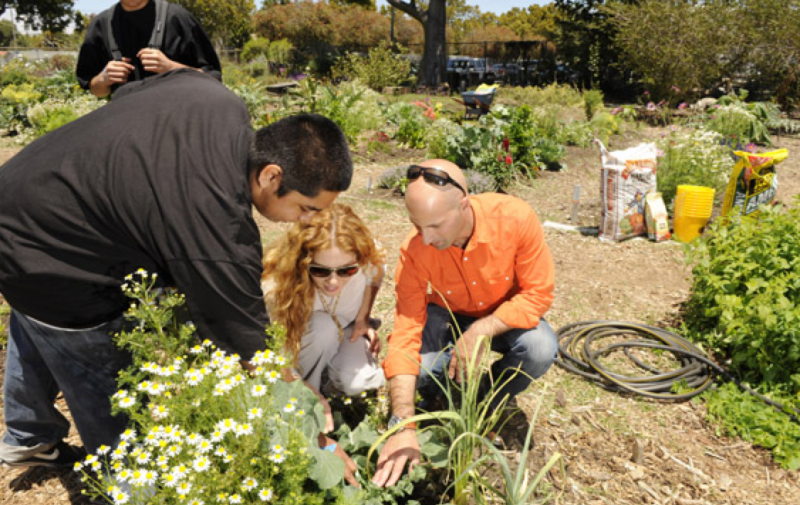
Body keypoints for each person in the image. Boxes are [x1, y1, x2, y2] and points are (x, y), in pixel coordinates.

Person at [0, 69, 352, 469]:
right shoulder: (220, 229)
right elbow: (251, 345)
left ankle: (30, 435)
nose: (307, 221)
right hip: (49, 252)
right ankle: (127, 484)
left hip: (21, 194)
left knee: (33, 313)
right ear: (272, 175)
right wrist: (312, 427)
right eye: (307, 208)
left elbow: (130, 93)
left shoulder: (214, 96)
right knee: (109, 390)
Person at [372, 159, 558, 487]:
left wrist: (482, 329)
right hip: (449, 315)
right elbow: (405, 330)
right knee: (422, 370)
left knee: (540, 348)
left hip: (504, 315)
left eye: (436, 226)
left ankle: (492, 395)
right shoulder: (415, 249)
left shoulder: (514, 218)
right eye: (418, 226)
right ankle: (442, 392)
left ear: (463, 205)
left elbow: (538, 294)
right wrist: (402, 423)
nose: (426, 239)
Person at [261, 203, 386, 430]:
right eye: (320, 270)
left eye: (347, 270)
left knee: (362, 381)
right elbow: (275, 357)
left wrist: (363, 317)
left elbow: (376, 274)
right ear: (303, 262)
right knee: (323, 329)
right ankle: (308, 399)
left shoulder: (368, 255)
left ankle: (326, 383)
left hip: (345, 327)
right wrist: (304, 390)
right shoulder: (278, 285)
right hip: (303, 335)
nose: (333, 282)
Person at [76, 0, 221, 98]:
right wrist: (103, 79)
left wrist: (171, 68)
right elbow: (97, 91)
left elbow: (213, 79)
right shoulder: (101, 25)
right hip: (126, 126)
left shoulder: (177, 18)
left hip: (176, 125)